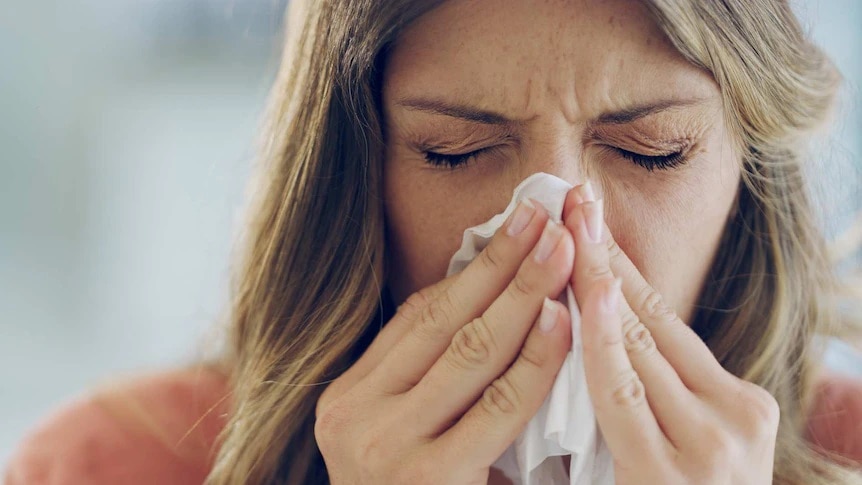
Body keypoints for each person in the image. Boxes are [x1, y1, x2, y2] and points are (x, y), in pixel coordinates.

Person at [5, 0, 862, 484]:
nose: (562, 243)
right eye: (455, 152)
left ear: (749, 169)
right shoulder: (108, 464)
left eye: (653, 151)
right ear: (352, 172)